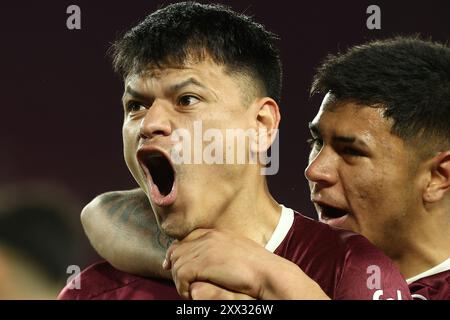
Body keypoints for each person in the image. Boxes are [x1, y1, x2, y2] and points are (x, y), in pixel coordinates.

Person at [59, 2, 411, 300]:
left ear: (261, 124)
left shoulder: (351, 270)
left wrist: (272, 282)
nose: (149, 124)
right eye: (135, 105)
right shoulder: (94, 291)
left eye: (187, 100)